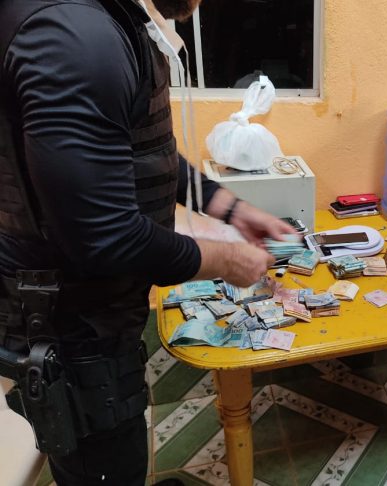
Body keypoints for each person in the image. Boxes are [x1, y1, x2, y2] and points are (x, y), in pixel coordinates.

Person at [0, 0, 294, 484]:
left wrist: (229, 207)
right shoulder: (76, 37)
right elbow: (106, 237)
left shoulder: (107, 18)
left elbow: (135, 150)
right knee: (106, 467)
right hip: (68, 329)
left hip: (97, 315)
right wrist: (227, 259)